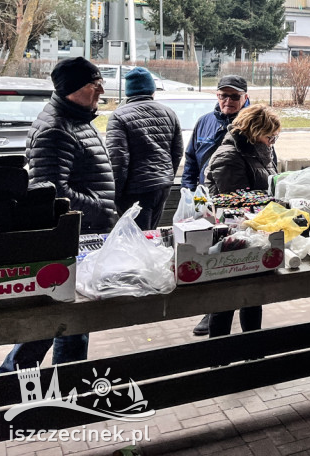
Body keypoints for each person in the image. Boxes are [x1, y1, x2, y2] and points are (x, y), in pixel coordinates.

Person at [0, 58, 117, 372]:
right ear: (73, 89)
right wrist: (101, 206)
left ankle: (61, 382)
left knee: (70, 320)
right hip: (74, 236)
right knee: (66, 320)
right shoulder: (55, 129)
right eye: (95, 85)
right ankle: (18, 382)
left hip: (86, 232)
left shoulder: (76, 119)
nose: (101, 90)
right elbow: (52, 191)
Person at [203, 104, 281, 338]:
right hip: (231, 239)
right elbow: (235, 203)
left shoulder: (259, 151)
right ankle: (219, 357)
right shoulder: (229, 156)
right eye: (270, 136)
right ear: (255, 131)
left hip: (254, 234)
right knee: (226, 301)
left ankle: (252, 350)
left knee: (253, 298)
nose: (272, 141)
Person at [183, 74, 248, 337]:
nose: (228, 101)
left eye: (234, 96)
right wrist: (189, 194)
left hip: (239, 206)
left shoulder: (252, 122)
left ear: (245, 97)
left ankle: (242, 323)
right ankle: (212, 312)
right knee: (209, 256)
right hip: (204, 201)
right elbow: (190, 162)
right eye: (223, 95)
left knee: (238, 261)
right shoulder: (205, 122)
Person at [106, 67, 183, 230]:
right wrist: (166, 176)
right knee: (149, 235)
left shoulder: (118, 116)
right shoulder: (169, 113)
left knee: (136, 240)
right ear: (152, 89)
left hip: (134, 189)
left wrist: (116, 193)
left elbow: (118, 160)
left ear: (128, 90)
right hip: (161, 187)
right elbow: (177, 151)